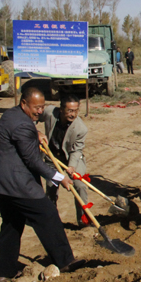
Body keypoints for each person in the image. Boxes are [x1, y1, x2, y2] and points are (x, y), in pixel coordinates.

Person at [0, 86, 85, 282]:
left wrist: (36, 132)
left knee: (12, 223)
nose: (40, 111)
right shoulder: (23, 126)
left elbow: (23, 131)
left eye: (42, 107)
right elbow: (33, 162)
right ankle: (65, 260)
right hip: (17, 184)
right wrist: (60, 177)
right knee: (47, 214)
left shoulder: (11, 115)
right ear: (24, 103)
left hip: (0, 183)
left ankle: (4, 272)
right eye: (36, 107)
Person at [40, 94, 90, 227]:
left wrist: (72, 166)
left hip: (70, 159)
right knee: (51, 187)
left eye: (76, 110)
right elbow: (32, 117)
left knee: (79, 185)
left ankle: (83, 220)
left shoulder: (80, 128)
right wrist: (35, 132)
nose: (73, 114)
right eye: (70, 111)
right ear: (61, 109)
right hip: (51, 156)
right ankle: (52, 220)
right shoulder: (50, 112)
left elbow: (76, 150)